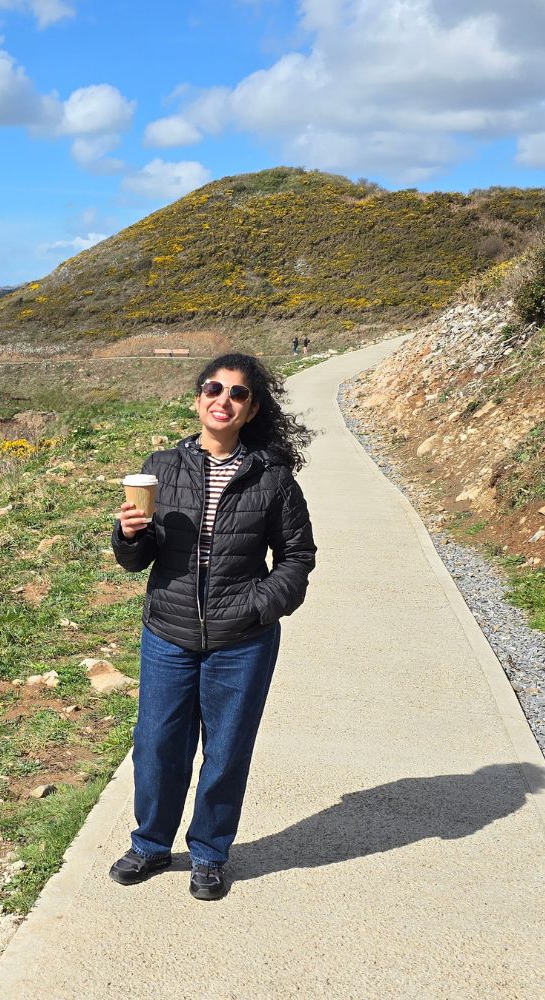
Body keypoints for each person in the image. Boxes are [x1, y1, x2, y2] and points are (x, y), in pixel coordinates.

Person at [108, 352, 317, 900]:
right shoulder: (162, 467)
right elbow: (140, 560)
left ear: (251, 410)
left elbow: (297, 556)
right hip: (168, 634)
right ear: (198, 399)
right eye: (213, 389)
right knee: (156, 743)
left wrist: (258, 605)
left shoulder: (271, 477)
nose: (223, 400)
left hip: (241, 641)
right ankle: (151, 844)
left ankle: (209, 853)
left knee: (226, 749)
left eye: (238, 394)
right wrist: (130, 535)